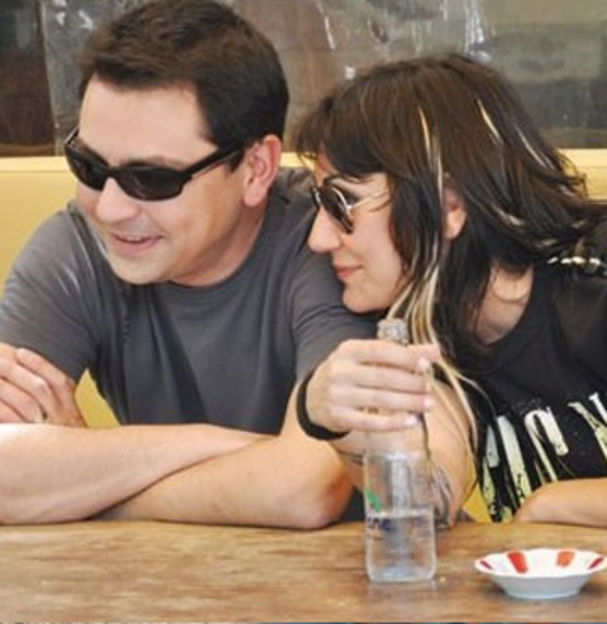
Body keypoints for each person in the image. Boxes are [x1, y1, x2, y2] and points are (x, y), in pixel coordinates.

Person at [0, 0, 377, 526]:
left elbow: (307, 488)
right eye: (89, 167)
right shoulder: (77, 247)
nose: (110, 208)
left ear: (256, 168)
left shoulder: (328, 246)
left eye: (152, 179)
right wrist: (235, 449)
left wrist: (84, 483)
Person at [293, 54, 607, 527]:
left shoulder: (594, 278)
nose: (319, 239)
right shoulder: (426, 329)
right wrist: (330, 420)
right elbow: (423, 505)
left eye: (342, 202)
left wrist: (552, 508)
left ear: (448, 206)